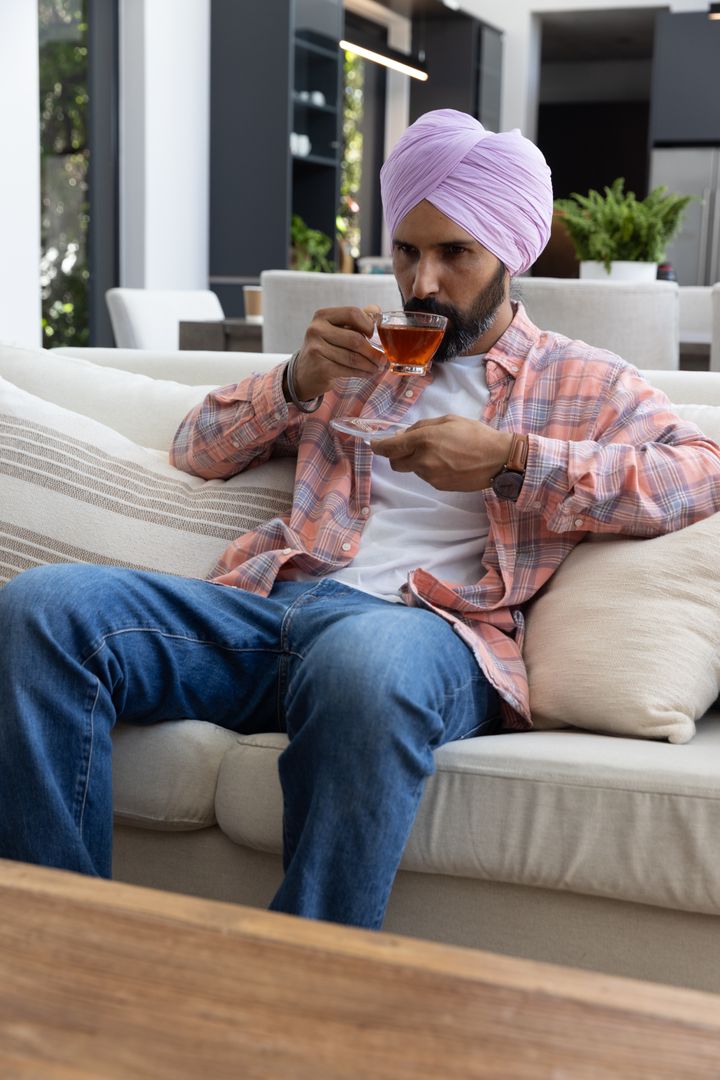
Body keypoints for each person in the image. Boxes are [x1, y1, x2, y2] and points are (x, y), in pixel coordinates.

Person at [1, 110, 719, 929]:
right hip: (271, 608)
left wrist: (510, 460)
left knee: (363, 666)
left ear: (509, 257)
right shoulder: (356, 355)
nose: (422, 283)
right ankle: (52, 952)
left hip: (424, 632)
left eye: (455, 254)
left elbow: (699, 472)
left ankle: (305, 1002)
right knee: (41, 609)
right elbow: (194, 448)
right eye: (408, 252)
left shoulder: (583, 380)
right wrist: (295, 383)